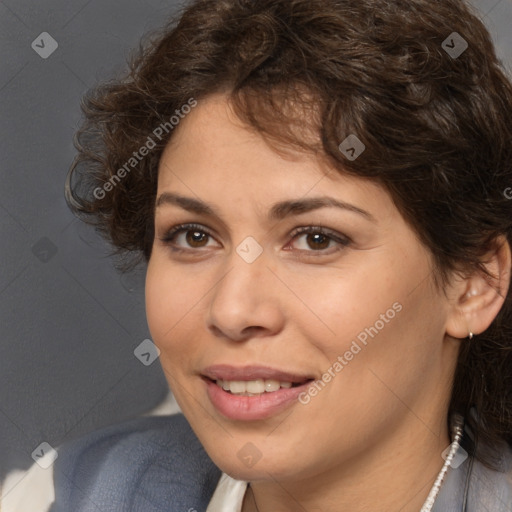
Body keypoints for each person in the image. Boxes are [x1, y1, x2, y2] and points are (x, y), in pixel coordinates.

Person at [51, 0, 512, 510]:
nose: (232, 311)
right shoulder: (76, 490)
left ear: (474, 282)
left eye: (316, 239)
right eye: (194, 236)